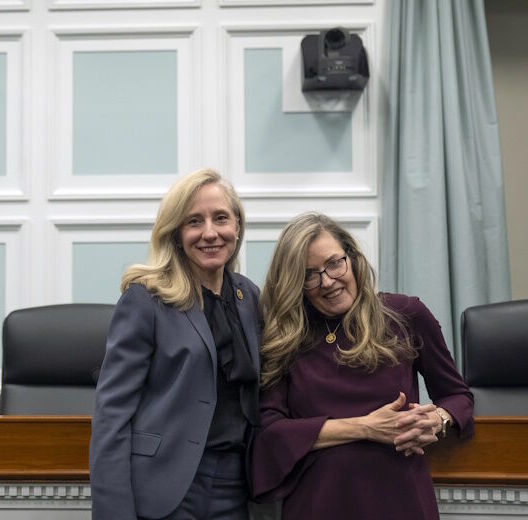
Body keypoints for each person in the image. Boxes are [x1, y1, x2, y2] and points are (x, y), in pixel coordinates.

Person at [251, 212, 474, 520]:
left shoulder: (406, 314)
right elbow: (270, 433)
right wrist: (366, 427)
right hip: (318, 504)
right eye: (310, 275)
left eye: (333, 263)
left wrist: (437, 419)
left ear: (352, 258)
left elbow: (458, 396)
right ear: (296, 285)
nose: (327, 281)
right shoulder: (286, 339)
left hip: (400, 498)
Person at [89, 169, 262, 520]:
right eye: (194, 221)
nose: (210, 233)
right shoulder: (146, 299)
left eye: (221, 218)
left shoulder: (249, 297)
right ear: (177, 233)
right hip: (166, 487)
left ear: (238, 227)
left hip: (238, 487)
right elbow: (112, 416)